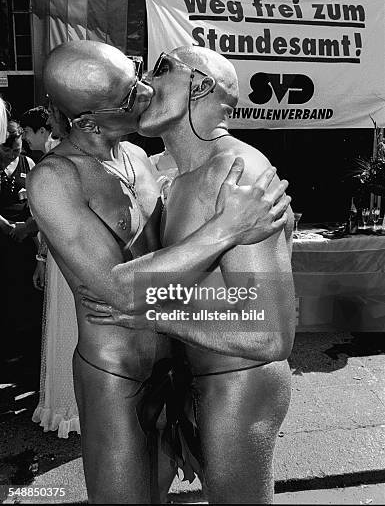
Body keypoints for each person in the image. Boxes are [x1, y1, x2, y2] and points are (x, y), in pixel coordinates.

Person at [26, 39, 290, 504]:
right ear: (88, 120)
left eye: (150, 73)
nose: (146, 87)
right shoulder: (57, 177)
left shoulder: (165, 164)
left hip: (205, 370)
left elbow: (264, 326)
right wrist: (225, 229)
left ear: (202, 87)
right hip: (119, 373)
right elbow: (116, 292)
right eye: (131, 94)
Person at [32, 102, 79, 438]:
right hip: (68, 260)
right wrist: (42, 258)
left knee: (76, 330)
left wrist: (42, 257)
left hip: (72, 259)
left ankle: (76, 404)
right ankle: (68, 404)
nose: (47, 121)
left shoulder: (57, 161)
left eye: (52, 115)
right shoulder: (56, 160)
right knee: (69, 330)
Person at [0, 120, 42, 362]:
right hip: (3, 232)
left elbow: (36, 203)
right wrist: (5, 226)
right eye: (7, 151)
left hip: (25, 235)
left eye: (15, 150)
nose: (12, 155)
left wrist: (26, 228)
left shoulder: (29, 163)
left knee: (23, 289)